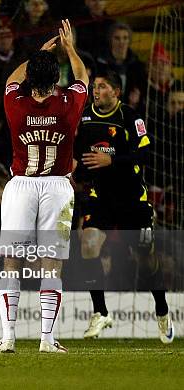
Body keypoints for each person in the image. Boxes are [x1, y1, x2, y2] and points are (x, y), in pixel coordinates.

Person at [0, 20, 88, 354]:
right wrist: (69, 48)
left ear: (31, 80)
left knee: (12, 261)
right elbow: (83, 79)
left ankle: (8, 337)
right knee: (52, 262)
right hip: (58, 187)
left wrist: (38, 53)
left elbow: (11, 79)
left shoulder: (15, 104)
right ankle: (47, 339)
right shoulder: (68, 106)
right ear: (56, 80)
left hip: (21, 185)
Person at [74, 70, 174, 343]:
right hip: (100, 196)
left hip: (132, 199)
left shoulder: (131, 117)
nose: (96, 91)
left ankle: (162, 308)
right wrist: (74, 173)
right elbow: (77, 153)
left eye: (103, 87)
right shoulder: (84, 117)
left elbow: (144, 154)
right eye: (94, 86)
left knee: (145, 257)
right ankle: (100, 312)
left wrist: (112, 160)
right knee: (88, 244)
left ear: (116, 92)